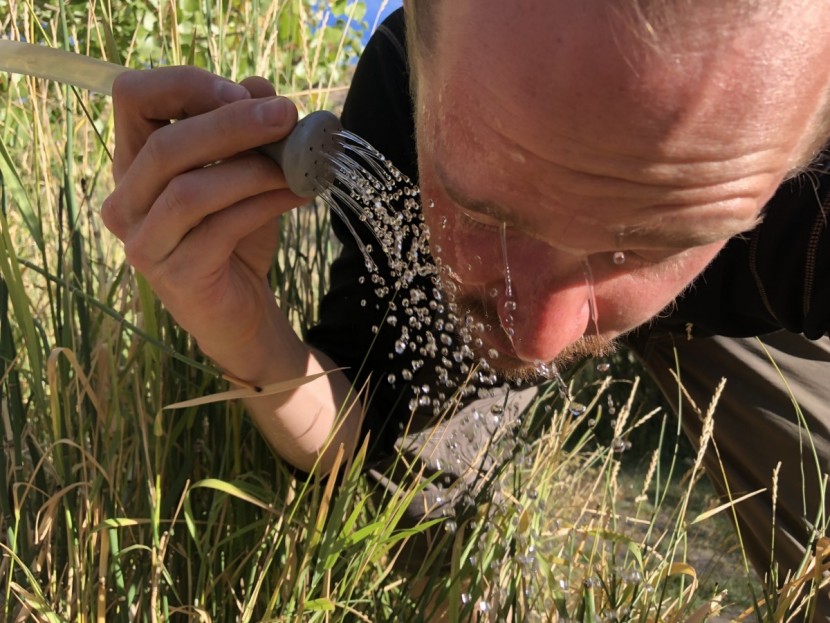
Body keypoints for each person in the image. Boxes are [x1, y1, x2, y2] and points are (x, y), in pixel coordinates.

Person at [103, 0, 830, 616]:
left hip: (773, 302)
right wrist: (252, 336)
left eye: (651, 242)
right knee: (406, 515)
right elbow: (371, 434)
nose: (535, 338)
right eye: (486, 214)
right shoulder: (406, 98)